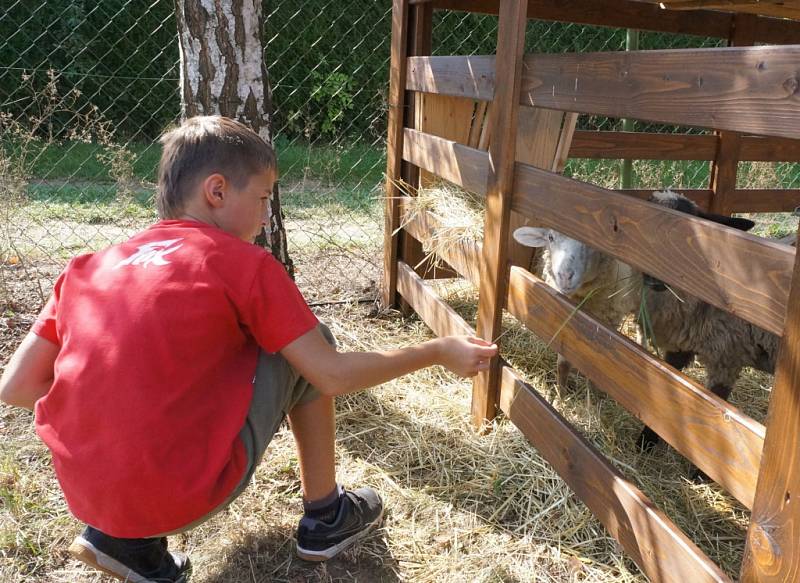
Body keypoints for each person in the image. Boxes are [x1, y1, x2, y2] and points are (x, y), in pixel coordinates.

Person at [0, 115, 498, 582]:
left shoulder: (87, 267)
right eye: (263, 199)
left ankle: (127, 543)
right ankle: (327, 515)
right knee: (310, 343)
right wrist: (436, 350)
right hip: (180, 492)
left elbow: (17, 386)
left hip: (88, 494)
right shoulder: (243, 263)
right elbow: (332, 375)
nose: (265, 216)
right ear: (216, 191)